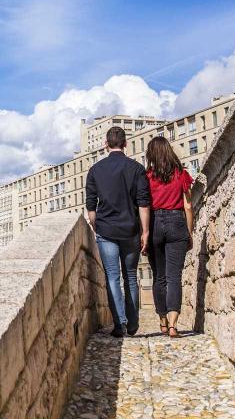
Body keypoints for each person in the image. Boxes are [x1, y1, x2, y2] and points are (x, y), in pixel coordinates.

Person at [86, 126, 151, 337]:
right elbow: (143, 203)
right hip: (130, 229)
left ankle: (119, 324)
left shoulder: (95, 170)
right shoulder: (136, 168)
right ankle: (133, 323)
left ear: (106, 144)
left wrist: (96, 226)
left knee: (112, 277)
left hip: (106, 229)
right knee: (131, 276)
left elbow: (91, 206)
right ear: (125, 144)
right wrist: (145, 231)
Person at [145, 136, 193, 338]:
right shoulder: (181, 175)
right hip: (176, 222)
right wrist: (189, 233)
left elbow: (144, 207)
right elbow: (188, 206)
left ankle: (162, 321)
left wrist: (144, 232)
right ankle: (173, 325)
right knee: (175, 277)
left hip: (154, 223)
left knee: (159, 276)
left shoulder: (147, 177)